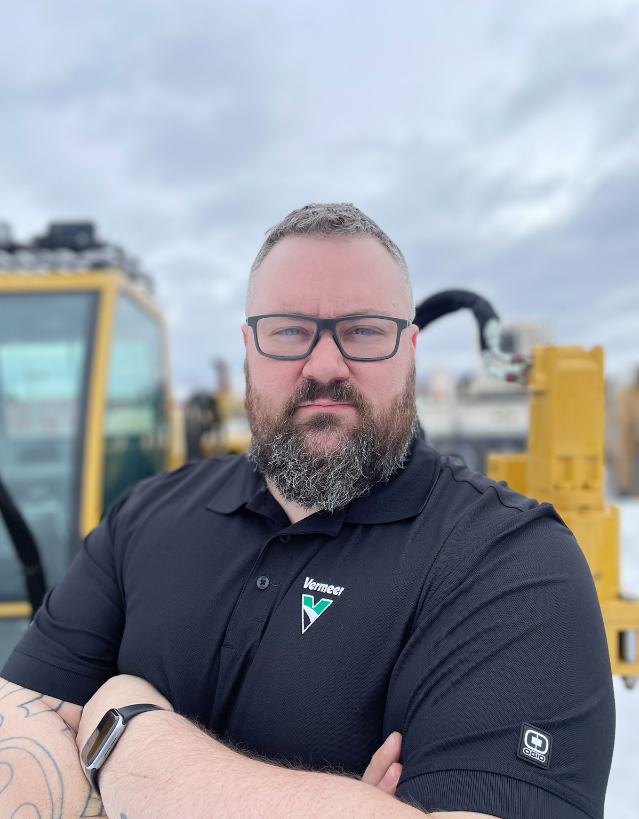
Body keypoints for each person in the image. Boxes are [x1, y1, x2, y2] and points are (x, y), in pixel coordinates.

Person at [0, 203, 614, 819]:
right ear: (248, 346)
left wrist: (127, 731)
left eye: (365, 330)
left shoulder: (510, 560)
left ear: (411, 348)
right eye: (289, 330)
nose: (324, 365)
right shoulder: (142, 517)